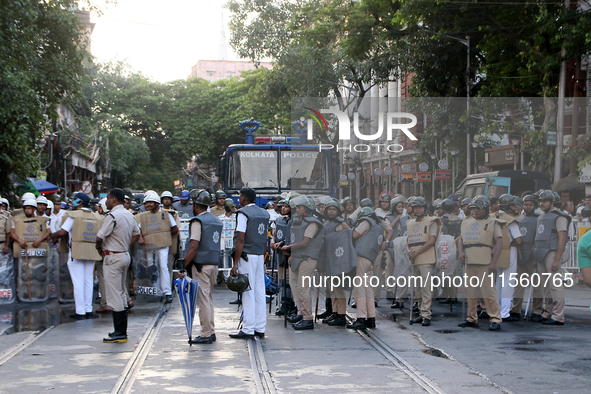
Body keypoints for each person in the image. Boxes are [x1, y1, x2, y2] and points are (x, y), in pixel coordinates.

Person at [96, 188, 140, 343]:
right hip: (124, 254)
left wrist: (99, 249)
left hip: (113, 257)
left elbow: (100, 236)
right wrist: (124, 244)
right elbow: (137, 234)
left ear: (114, 200)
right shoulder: (129, 215)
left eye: (108, 198)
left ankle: (120, 332)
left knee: (114, 293)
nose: (106, 201)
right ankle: (121, 331)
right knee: (121, 292)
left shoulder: (112, 216)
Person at [51, 192, 103, 319]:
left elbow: (63, 232)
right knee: (88, 280)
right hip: (92, 251)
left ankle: (80, 311)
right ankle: (88, 309)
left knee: (78, 281)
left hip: (76, 252)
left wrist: (51, 236)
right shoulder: (97, 217)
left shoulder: (73, 216)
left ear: (79, 202)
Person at [182, 189, 223, 344]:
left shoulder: (198, 221)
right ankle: (210, 330)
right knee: (209, 298)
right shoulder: (216, 220)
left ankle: (206, 333)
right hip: (213, 264)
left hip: (201, 265)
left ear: (194, 204)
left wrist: (184, 264)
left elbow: (193, 246)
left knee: (203, 300)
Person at [458, 195, 504, 331]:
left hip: (485, 260)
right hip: (470, 260)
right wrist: (460, 252)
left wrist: (494, 262)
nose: (475, 211)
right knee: (471, 292)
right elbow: (461, 240)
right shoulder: (466, 222)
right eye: (473, 208)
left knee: (489, 292)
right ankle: (471, 317)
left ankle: (495, 318)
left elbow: (499, 242)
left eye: (479, 208)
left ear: (486, 209)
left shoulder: (493, 222)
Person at [229, 188, 270, 339]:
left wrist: (235, 263)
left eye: (240, 196)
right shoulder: (264, 213)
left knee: (247, 291)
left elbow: (240, 239)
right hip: (259, 255)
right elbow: (265, 237)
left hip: (246, 256)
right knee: (259, 290)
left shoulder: (243, 213)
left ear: (243, 198)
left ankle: (248, 329)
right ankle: (260, 327)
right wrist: (264, 257)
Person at [281, 196, 324, 330]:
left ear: (307, 208)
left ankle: (307, 318)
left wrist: (288, 248)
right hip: (297, 257)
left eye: (299, 207)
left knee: (303, 288)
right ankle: (301, 312)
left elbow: (305, 242)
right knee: (295, 285)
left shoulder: (313, 223)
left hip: (308, 258)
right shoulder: (299, 221)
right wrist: (291, 253)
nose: (297, 210)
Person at [532, 190, 570, 325]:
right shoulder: (542, 216)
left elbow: (562, 239)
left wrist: (557, 259)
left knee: (555, 285)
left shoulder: (559, 217)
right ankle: (547, 312)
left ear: (552, 202)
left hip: (552, 253)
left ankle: (558, 316)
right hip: (541, 253)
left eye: (545, 201)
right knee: (546, 285)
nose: (541, 203)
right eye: (541, 201)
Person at [405, 197, 442, 327]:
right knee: (418, 288)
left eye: (420, 207)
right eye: (415, 207)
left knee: (426, 287)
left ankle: (426, 314)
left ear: (424, 208)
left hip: (425, 258)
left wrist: (417, 251)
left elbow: (431, 240)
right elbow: (407, 241)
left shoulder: (432, 222)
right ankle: (421, 313)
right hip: (414, 258)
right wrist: (409, 251)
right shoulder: (410, 223)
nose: (418, 209)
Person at [347, 207, 385, 330]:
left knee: (359, 288)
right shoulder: (378, 225)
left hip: (361, 257)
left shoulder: (366, 221)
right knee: (368, 288)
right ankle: (371, 317)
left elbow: (355, 234)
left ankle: (361, 318)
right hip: (370, 258)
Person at [138, 191, 178, 303]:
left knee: (163, 267)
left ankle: (167, 292)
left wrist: (163, 234)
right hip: (150, 246)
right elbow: (139, 230)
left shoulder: (166, 214)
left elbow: (175, 228)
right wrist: (141, 238)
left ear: (156, 203)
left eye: (151, 202)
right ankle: (156, 291)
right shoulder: (145, 216)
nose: (148, 205)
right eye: (147, 203)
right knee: (152, 268)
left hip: (163, 245)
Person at [509, 194, 543, 321]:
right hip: (520, 255)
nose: (528, 207)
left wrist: (536, 255)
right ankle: (515, 309)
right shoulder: (518, 219)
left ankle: (537, 311)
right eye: (526, 204)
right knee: (518, 284)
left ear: (534, 206)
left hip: (534, 255)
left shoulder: (539, 219)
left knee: (537, 284)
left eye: (530, 205)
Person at [494, 194, 522, 321]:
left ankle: (497, 309)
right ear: (509, 206)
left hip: (495, 251)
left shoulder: (492, 217)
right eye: (513, 205)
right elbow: (519, 240)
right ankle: (505, 312)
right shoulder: (510, 220)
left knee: (498, 283)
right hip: (509, 250)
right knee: (508, 283)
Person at [386, 195, 409, 308]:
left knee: (402, 271)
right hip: (390, 246)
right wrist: (397, 218)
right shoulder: (388, 217)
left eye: (402, 207)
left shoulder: (405, 218)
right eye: (399, 207)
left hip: (402, 248)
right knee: (390, 269)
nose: (401, 209)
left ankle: (401, 294)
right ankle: (389, 289)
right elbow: (388, 227)